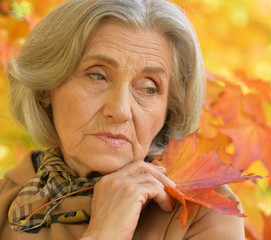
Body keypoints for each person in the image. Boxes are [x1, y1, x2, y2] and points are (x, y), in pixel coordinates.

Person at [0, 0, 245, 239]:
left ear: (168, 110)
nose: (120, 111)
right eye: (97, 76)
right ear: (45, 89)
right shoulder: (5, 199)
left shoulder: (201, 208)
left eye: (149, 88)